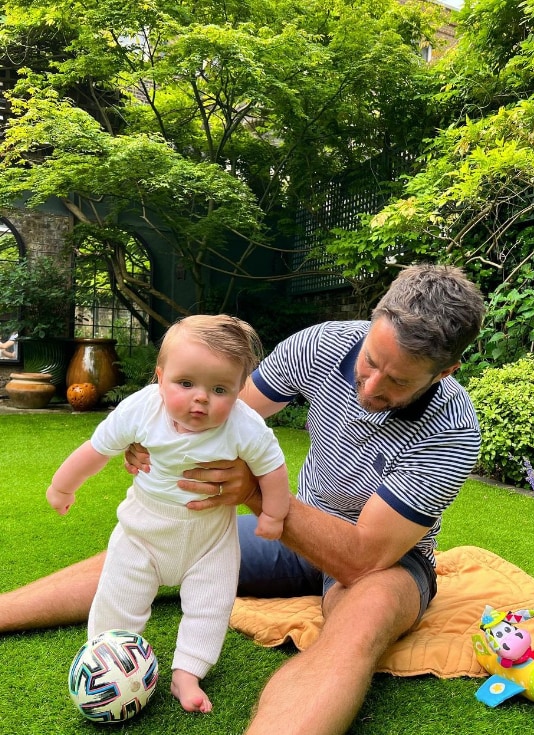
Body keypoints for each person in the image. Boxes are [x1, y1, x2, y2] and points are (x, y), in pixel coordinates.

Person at [0, 263, 485, 735]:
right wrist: (159, 436)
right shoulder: (322, 345)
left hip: (386, 564)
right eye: (371, 362)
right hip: (294, 527)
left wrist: (254, 491)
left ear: (445, 372)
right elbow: (226, 414)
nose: (372, 386)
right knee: (149, 542)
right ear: (372, 323)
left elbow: (361, 557)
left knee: (358, 630)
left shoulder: (454, 429)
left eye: (398, 381)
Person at [45, 314, 291, 714]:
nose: (201, 398)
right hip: (144, 530)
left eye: (219, 389)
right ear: (159, 377)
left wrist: (274, 516)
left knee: (211, 603)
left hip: (209, 537)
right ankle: (107, 660)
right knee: (118, 593)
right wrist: (63, 485)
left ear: (239, 389)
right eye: (186, 383)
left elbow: (272, 468)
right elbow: (98, 448)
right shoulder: (142, 409)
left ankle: (188, 672)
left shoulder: (244, 425)